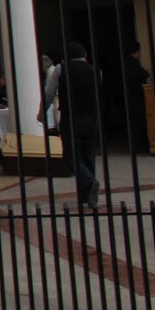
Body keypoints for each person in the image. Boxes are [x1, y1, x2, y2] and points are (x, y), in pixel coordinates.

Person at [56, 42, 101, 209]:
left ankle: (89, 182)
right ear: (85, 55)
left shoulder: (61, 69)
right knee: (88, 156)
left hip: (70, 118)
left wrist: (41, 112)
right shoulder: (96, 70)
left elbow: (49, 92)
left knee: (71, 155)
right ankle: (87, 197)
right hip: (91, 118)